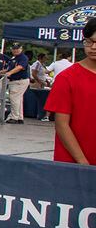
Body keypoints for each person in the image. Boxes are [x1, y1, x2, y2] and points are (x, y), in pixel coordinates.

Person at [45, 19, 96, 164]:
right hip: (73, 164)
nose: (93, 47)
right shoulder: (67, 78)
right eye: (89, 42)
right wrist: (83, 163)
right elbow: (62, 124)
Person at [0, 42, 30, 124]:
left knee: (14, 98)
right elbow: (9, 68)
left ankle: (14, 117)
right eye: (14, 49)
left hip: (19, 81)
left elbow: (20, 67)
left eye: (17, 48)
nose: (15, 50)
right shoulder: (14, 58)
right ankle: (19, 117)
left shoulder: (23, 57)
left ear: (21, 49)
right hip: (15, 81)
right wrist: (0, 72)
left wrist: (10, 73)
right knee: (18, 99)